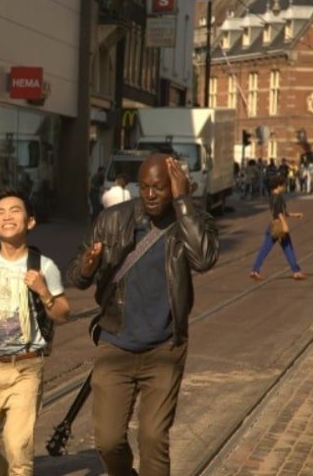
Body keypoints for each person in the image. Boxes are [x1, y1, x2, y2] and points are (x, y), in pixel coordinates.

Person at [67, 153, 219, 476]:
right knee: (107, 442)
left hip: (164, 348)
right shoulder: (112, 219)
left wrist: (182, 202)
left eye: (160, 188)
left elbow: (204, 258)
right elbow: (76, 276)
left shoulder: (190, 219)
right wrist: (86, 266)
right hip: (116, 344)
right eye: (145, 187)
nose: (150, 194)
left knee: (152, 439)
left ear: (174, 186)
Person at [0, 189, 70, 475]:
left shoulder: (44, 266)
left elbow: (62, 313)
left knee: (18, 447)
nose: (7, 216)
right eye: (0, 212)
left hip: (26, 367)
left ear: (30, 222)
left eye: (15, 210)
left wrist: (44, 291)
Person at [249, 174, 306, 281]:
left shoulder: (272, 196)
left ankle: (255, 270)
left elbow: (280, 211)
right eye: (283, 185)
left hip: (272, 226)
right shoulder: (278, 197)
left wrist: (294, 215)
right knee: (288, 248)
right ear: (279, 186)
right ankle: (296, 272)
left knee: (264, 249)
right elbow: (279, 213)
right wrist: (285, 226)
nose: (284, 187)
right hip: (279, 226)